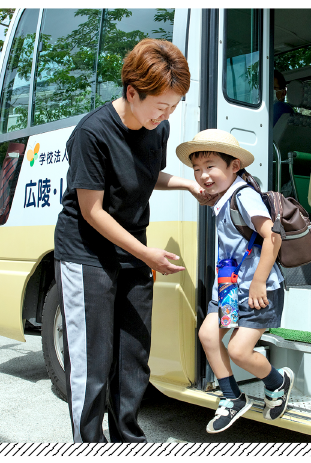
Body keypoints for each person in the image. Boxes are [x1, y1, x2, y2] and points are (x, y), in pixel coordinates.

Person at [54, 38, 216, 444]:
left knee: (133, 358)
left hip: (132, 250)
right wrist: (148, 255)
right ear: (131, 92)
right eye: (161, 106)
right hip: (86, 252)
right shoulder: (92, 134)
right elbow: (92, 211)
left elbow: (147, 174)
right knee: (92, 361)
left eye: (173, 107)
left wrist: (185, 184)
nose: (167, 115)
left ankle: (128, 440)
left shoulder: (154, 129)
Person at [176, 129, 295, 434]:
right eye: (197, 169)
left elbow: (273, 237)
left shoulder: (244, 196)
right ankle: (232, 398)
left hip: (259, 290)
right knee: (208, 335)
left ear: (235, 166)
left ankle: (277, 383)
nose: (203, 176)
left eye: (210, 166)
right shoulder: (224, 196)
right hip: (229, 287)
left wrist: (257, 282)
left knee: (240, 351)